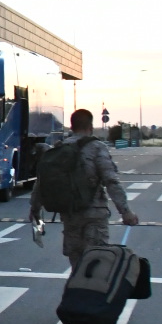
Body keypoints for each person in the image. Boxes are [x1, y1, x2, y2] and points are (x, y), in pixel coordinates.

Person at [30, 108, 138, 270]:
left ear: (72, 127)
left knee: (77, 265)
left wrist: (35, 209)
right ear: (90, 126)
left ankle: (76, 292)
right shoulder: (96, 147)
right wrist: (125, 212)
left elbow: (43, 181)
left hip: (70, 214)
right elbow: (111, 180)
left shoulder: (59, 148)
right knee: (95, 264)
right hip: (94, 215)